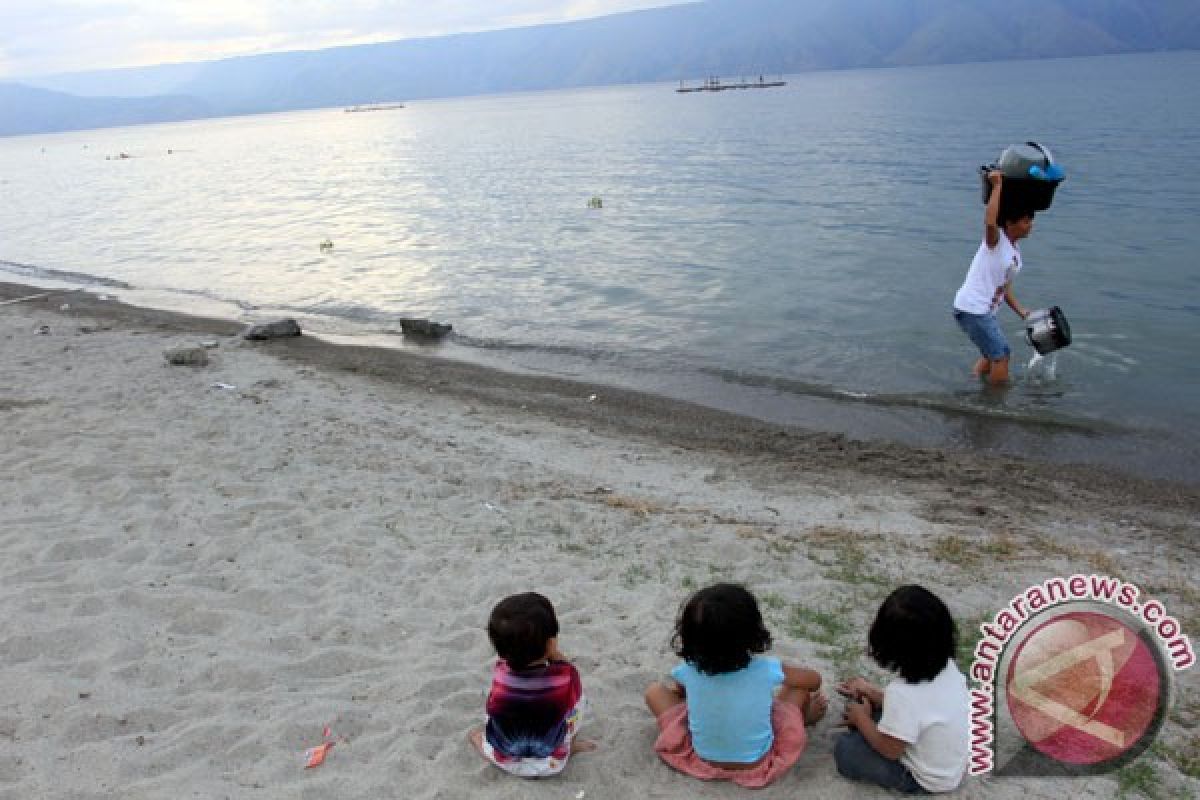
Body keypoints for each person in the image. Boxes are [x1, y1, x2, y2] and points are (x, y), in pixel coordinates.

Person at [644, 583, 826, 789]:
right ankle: (806, 717)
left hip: (702, 759)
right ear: (752, 632)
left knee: (654, 692)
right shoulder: (767, 669)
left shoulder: (687, 669)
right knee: (797, 689)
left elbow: (682, 692)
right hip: (757, 763)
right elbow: (814, 681)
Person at [833, 585, 969, 794]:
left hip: (923, 779)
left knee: (847, 750)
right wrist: (871, 692)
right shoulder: (948, 668)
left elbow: (890, 750)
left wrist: (862, 720)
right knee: (878, 715)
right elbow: (923, 708)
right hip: (950, 766)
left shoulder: (902, 693)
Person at [468, 592, 594, 777]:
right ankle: (570, 746)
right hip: (552, 762)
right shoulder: (565, 677)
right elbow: (571, 687)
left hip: (505, 758)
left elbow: (492, 708)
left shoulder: (500, 673)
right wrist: (555, 655)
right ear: (551, 644)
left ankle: (478, 740)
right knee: (577, 703)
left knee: (494, 716)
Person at [953, 170, 1035, 384]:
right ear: (1009, 223)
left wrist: (1021, 311)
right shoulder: (995, 243)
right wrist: (997, 186)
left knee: (993, 354)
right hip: (973, 308)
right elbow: (990, 221)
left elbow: (1005, 288)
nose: (1030, 225)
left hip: (981, 311)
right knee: (1001, 356)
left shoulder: (1015, 254)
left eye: (1030, 221)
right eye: (1025, 221)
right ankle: (994, 404)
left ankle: (973, 387)